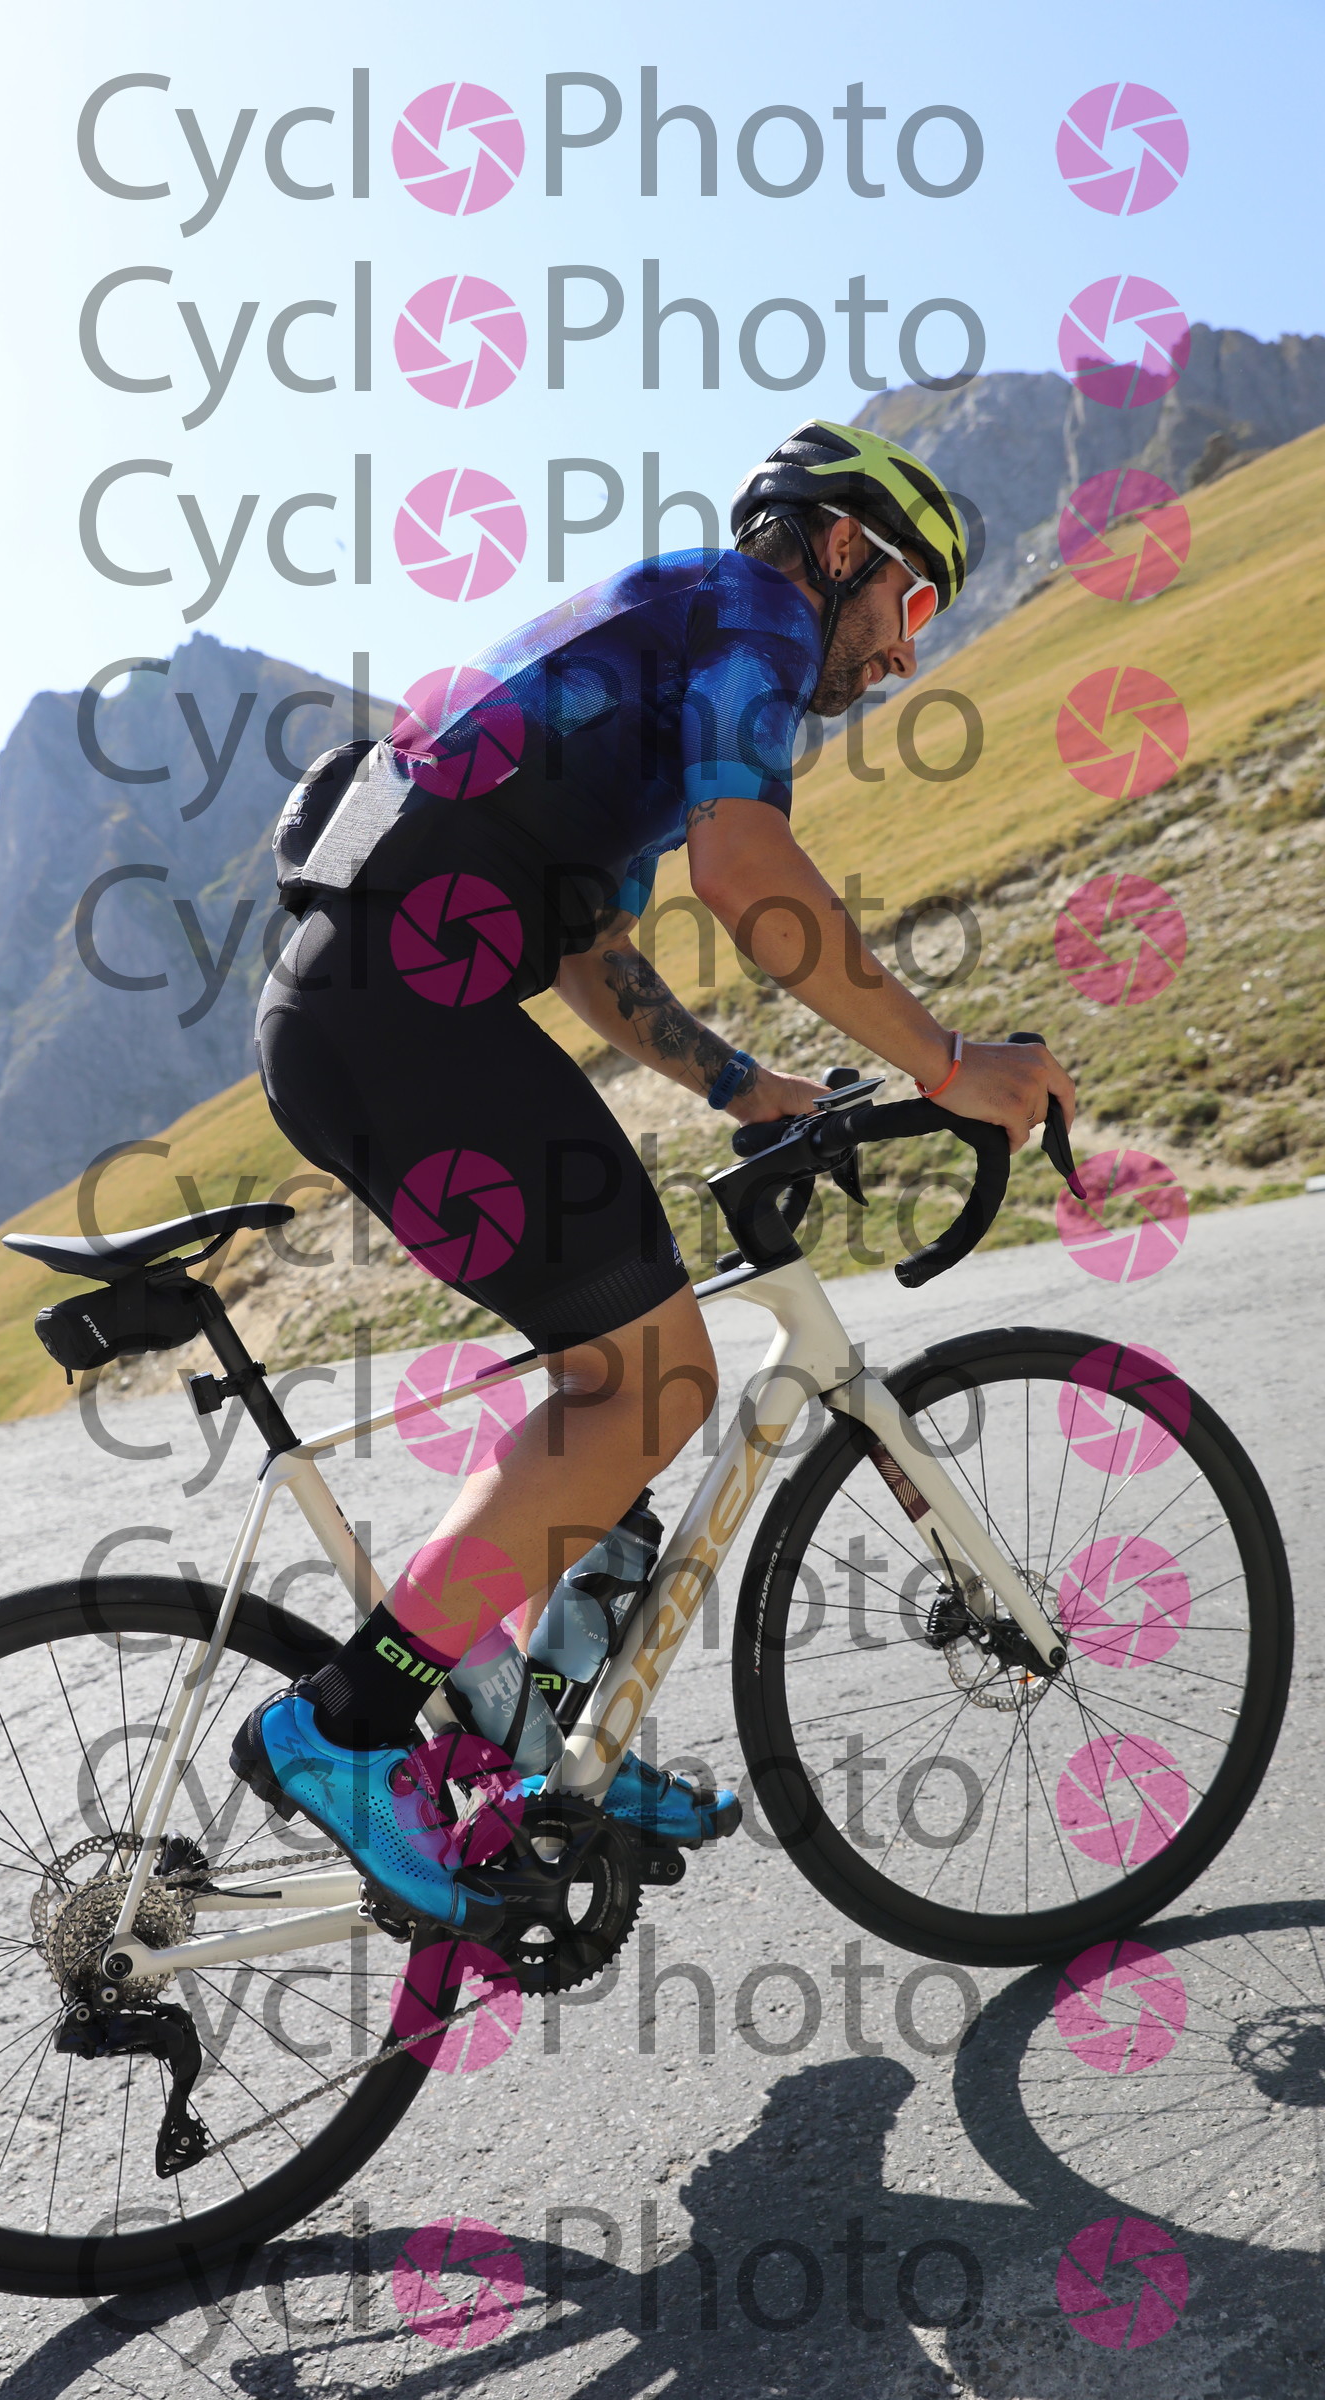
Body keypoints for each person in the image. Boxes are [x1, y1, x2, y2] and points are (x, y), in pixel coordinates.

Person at [233, 418, 1076, 1934]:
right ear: (841, 547)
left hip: (369, 1010)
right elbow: (748, 876)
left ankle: (536, 1730)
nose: (904, 653)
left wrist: (747, 1085)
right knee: (655, 1382)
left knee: (621, 1370)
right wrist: (951, 1063)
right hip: (398, 1013)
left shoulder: (661, 641)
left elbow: (588, 950)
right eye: (912, 601)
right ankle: (345, 1726)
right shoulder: (753, 613)